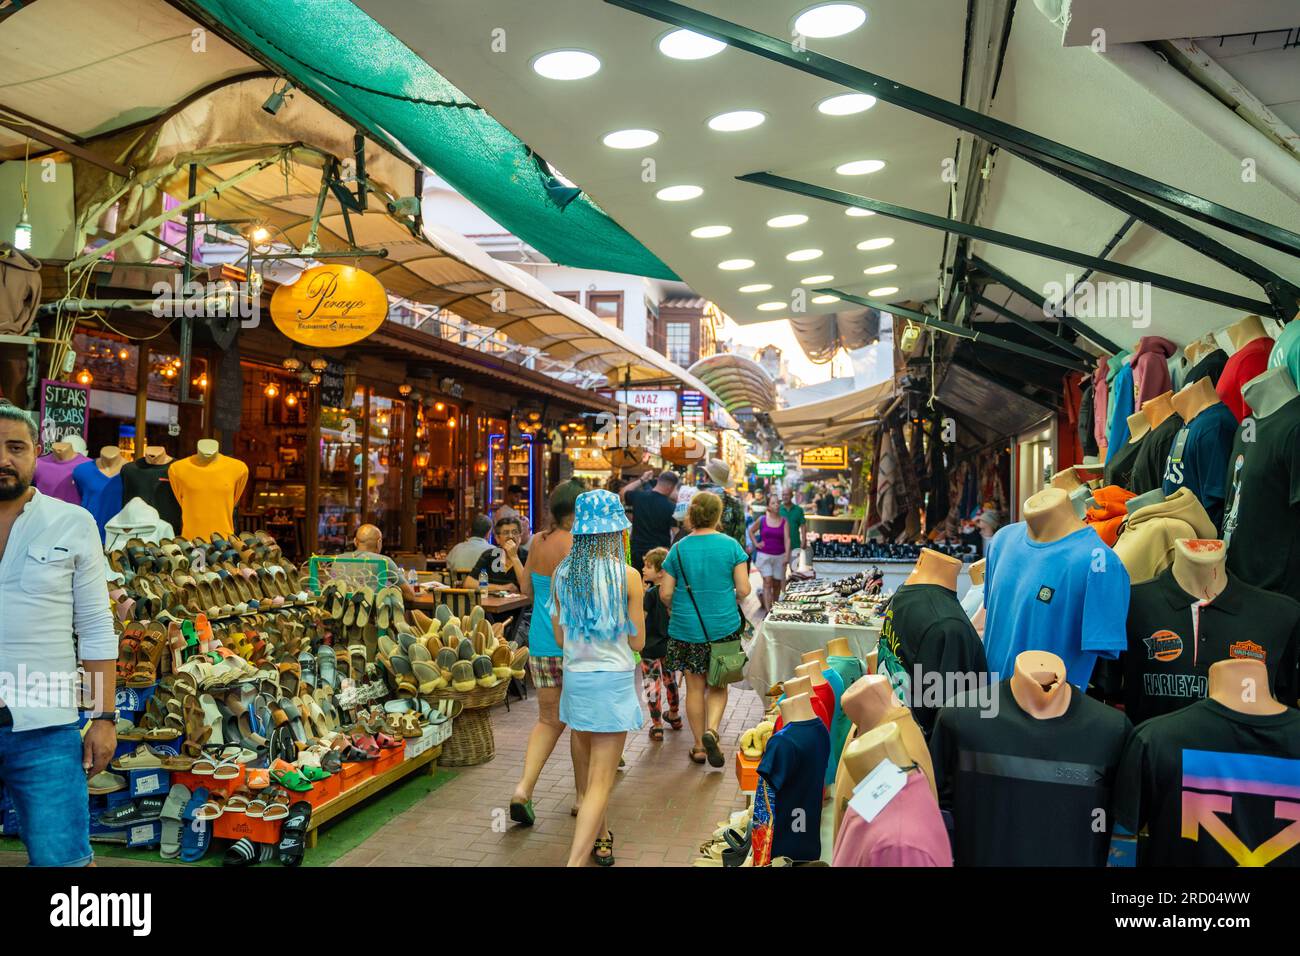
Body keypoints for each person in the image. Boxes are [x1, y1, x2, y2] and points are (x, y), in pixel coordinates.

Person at [0, 402, 117, 866]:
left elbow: (94, 625)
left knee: (61, 863)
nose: (4, 459)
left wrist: (104, 715)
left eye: (16, 448)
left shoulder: (73, 522)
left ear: (37, 454)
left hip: (46, 726)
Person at [549, 489, 646, 866]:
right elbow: (637, 639)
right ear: (615, 532)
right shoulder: (629, 576)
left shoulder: (563, 574)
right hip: (613, 683)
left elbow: (560, 638)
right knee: (601, 784)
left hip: (576, 680)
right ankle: (574, 862)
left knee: (591, 781)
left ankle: (599, 838)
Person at [660, 492, 751, 768]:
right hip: (723, 627)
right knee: (718, 684)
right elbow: (745, 590)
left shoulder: (678, 549)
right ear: (717, 515)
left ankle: (699, 745)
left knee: (695, 687)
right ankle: (712, 729)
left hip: (687, 629)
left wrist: (677, 608)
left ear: (691, 515)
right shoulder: (731, 546)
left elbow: (665, 593)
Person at [509, 482, 582, 827]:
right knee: (581, 724)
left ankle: (523, 789)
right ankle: (583, 799)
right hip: (573, 644)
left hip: (540, 642)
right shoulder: (579, 544)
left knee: (548, 720)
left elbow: (525, 589)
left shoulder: (536, 541)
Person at [640, 547, 681, 742]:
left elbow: (642, 619)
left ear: (660, 571)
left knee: (651, 685)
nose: (643, 569)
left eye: (648, 566)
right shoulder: (671, 593)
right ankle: (674, 714)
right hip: (668, 644)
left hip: (649, 647)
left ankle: (657, 725)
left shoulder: (649, 595)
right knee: (670, 680)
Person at [337, 523, 418, 601]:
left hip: (340, 612)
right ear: (379, 543)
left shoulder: (338, 560)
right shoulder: (384, 561)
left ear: (355, 542)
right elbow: (410, 596)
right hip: (373, 614)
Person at [619, 469, 679, 568]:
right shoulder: (671, 507)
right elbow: (676, 533)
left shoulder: (639, 497)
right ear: (670, 487)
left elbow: (622, 493)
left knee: (638, 581)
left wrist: (642, 479)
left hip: (637, 551)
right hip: (659, 555)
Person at [460, 515, 527, 590]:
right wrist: (502, 588)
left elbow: (527, 587)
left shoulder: (528, 556)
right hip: (494, 601)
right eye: (506, 533)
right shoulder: (489, 555)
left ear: (520, 537)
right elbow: (469, 583)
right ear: (497, 539)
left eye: (515, 532)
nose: (511, 536)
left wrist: (514, 557)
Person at [748, 494, 791, 611]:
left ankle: (775, 608)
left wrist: (787, 555)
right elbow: (751, 531)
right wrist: (756, 544)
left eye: (777, 503)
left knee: (777, 584)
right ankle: (768, 611)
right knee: (767, 582)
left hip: (780, 556)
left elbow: (787, 539)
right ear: (768, 506)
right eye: (773, 503)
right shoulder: (762, 520)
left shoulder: (784, 521)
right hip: (764, 556)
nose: (776, 505)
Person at [699, 458, 748, 550]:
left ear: (706, 476)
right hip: (725, 555)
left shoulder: (695, 498)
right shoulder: (734, 503)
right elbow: (740, 537)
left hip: (697, 554)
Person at [780, 487, 808, 557]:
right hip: (780, 545)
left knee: (794, 567)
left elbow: (803, 525)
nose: (785, 497)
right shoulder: (778, 509)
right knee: (781, 567)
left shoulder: (798, 510)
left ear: (792, 496)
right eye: (783, 495)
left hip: (795, 544)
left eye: (787, 495)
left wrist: (804, 540)